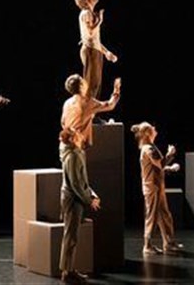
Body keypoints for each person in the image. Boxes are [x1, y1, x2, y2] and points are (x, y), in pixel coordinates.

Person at [131, 121, 183, 256]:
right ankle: (147, 246)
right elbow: (160, 164)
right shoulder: (149, 149)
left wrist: (169, 168)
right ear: (148, 133)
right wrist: (170, 154)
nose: (154, 128)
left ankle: (169, 243)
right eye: (152, 128)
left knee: (164, 215)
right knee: (152, 217)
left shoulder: (150, 147)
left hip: (156, 186)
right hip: (152, 187)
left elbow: (156, 167)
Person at [59, 128, 100, 283]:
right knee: (70, 236)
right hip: (73, 199)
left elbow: (82, 181)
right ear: (72, 139)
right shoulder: (73, 156)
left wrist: (92, 194)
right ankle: (67, 272)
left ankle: (68, 269)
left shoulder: (75, 153)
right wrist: (89, 200)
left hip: (74, 197)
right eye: (77, 135)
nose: (81, 136)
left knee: (71, 235)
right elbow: (76, 184)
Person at [74, 0, 118, 100]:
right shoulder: (86, 13)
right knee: (91, 87)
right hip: (90, 51)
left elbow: (93, 39)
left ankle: (92, 110)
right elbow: (90, 33)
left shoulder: (89, 13)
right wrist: (100, 21)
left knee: (95, 86)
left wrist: (106, 52)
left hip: (93, 50)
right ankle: (87, 111)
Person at [61, 73, 121, 147]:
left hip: (65, 145)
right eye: (83, 81)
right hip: (78, 146)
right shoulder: (87, 102)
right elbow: (110, 105)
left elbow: (63, 123)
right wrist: (116, 90)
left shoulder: (67, 103)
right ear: (81, 86)